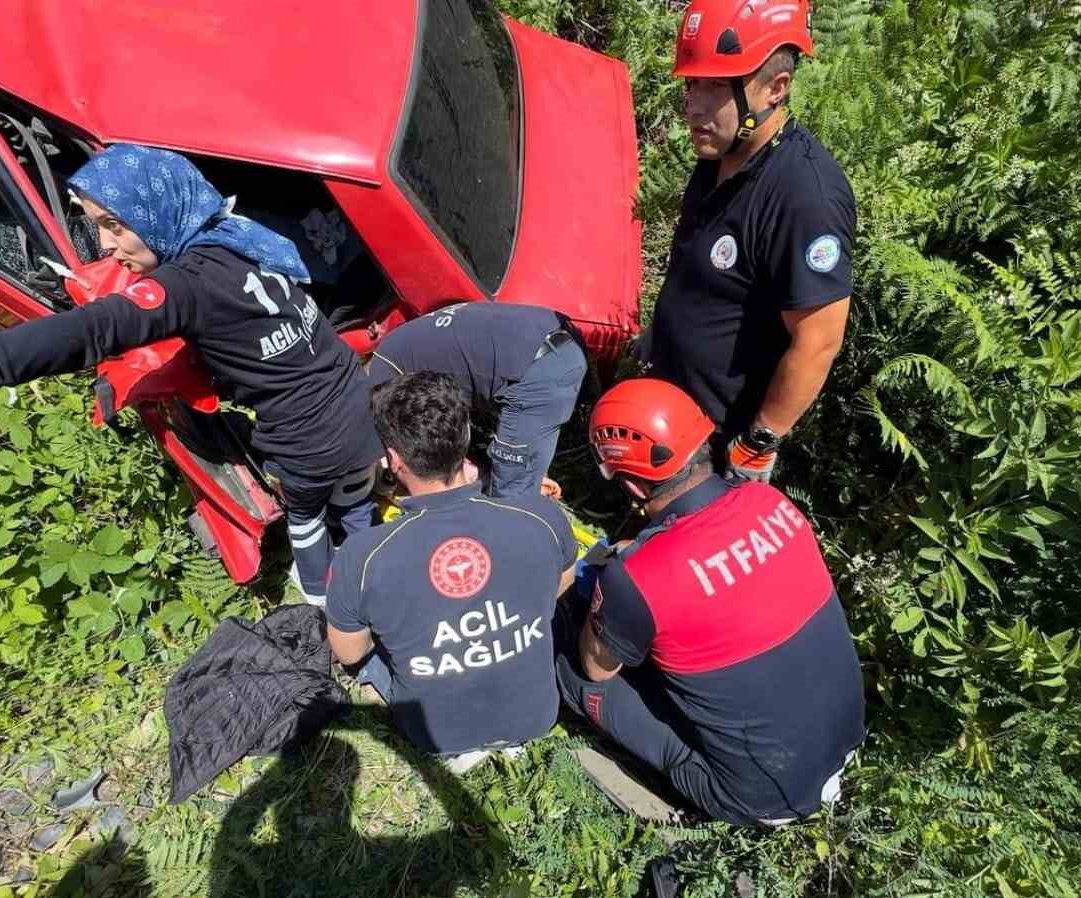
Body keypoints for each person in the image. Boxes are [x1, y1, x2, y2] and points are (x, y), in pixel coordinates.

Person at [0, 144, 382, 606]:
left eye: (115, 225)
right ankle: (373, 559)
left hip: (308, 447)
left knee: (307, 518)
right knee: (353, 502)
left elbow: (83, 333)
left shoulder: (185, 284)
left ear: (157, 211)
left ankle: (327, 597)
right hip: (358, 411)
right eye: (97, 224)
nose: (106, 245)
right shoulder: (242, 239)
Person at [557, 378, 864, 825]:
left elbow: (596, 667)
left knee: (574, 670)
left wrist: (609, 591)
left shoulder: (637, 576)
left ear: (634, 486)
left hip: (761, 800)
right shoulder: (769, 500)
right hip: (843, 740)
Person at [639, 0, 856, 482]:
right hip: (665, 414)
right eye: (692, 83)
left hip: (717, 448)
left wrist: (758, 442)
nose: (693, 105)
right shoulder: (720, 153)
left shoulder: (804, 197)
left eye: (715, 86)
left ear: (775, 89)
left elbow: (818, 341)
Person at [324, 372, 578, 773]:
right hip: (537, 717)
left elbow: (348, 652)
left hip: (436, 734)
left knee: (369, 658)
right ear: (465, 444)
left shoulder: (363, 554)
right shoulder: (540, 515)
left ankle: (460, 742)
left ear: (394, 460)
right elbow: (559, 587)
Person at [366, 302, 586, 499]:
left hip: (538, 367)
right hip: (557, 343)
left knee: (511, 493)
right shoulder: (398, 350)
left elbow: (420, 455)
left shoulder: (384, 391)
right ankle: (528, 484)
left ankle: (507, 536)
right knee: (519, 467)